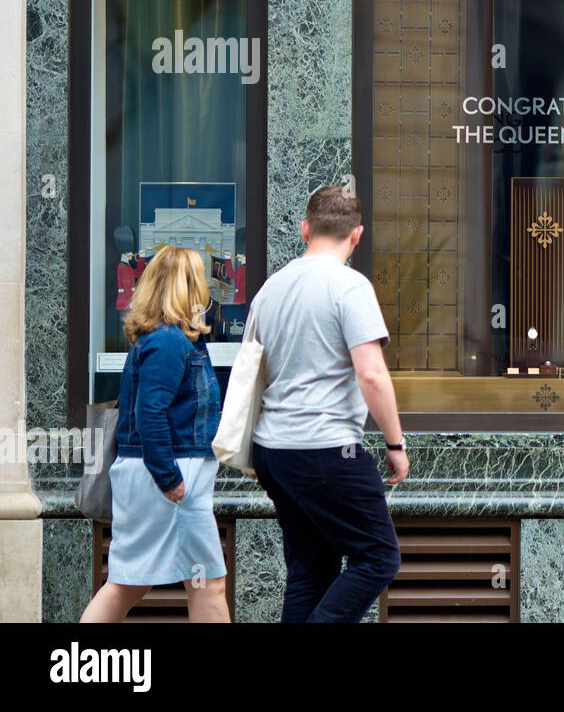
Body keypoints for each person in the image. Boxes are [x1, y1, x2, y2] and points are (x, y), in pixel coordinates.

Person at [250, 186, 408, 622]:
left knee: (310, 570)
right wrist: (395, 445)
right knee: (378, 557)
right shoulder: (349, 286)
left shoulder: (270, 289)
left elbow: (251, 371)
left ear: (305, 229)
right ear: (357, 235)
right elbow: (372, 373)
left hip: (274, 452)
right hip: (326, 448)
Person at [81, 245, 230, 623]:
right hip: (170, 482)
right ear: (188, 287)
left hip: (169, 480)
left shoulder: (165, 339)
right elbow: (151, 413)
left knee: (193, 582)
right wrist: (169, 480)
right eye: (202, 281)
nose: (208, 289)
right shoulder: (168, 342)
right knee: (194, 583)